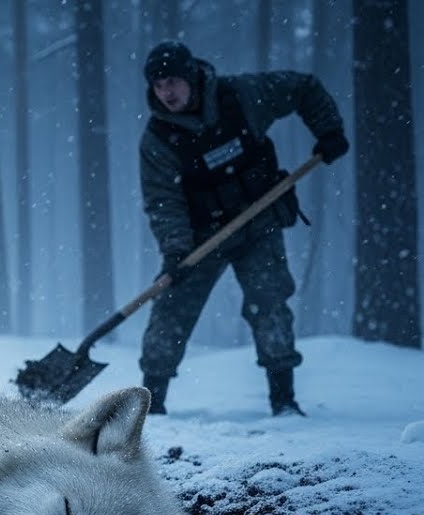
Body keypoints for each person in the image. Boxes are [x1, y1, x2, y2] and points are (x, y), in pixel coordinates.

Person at [137, 41, 348, 416]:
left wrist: (328, 129)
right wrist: (175, 251)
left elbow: (302, 87)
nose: (166, 92)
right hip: (199, 239)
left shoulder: (241, 97)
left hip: (258, 221)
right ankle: (151, 405)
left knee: (269, 303)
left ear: (191, 76)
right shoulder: (158, 140)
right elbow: (162, 202)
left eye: (173, 81)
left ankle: (283, 400)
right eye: (158, 85)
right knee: (170, 310)